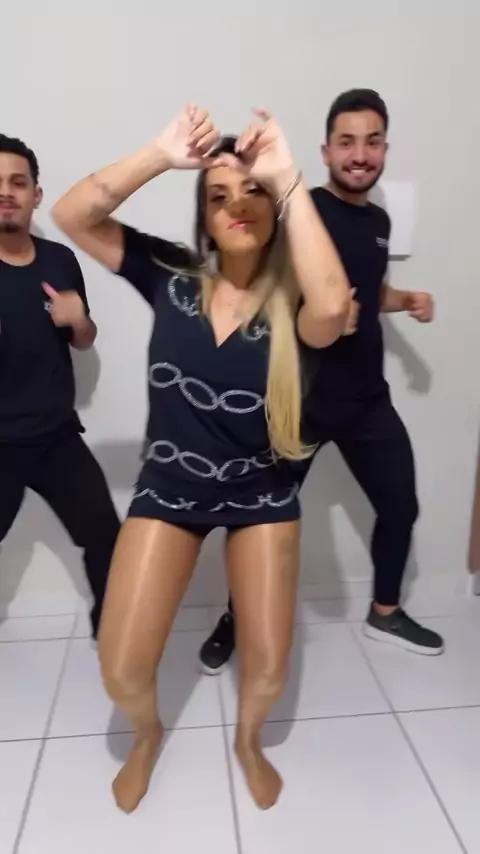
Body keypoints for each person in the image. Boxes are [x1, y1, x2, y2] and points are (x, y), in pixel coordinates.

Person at [52, 104, 351, 812]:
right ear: (204, 217)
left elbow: (335, 307)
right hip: (168, 491)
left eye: (251, 192)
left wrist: (287, 176)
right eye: (218, 196)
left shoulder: (297, 304)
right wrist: (160, 155)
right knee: (122, 671)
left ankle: (248, 741)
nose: (236, 205)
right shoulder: (172, 277)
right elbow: (71, 215)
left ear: (274, 207)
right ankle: (148, 734)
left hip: (262, 496)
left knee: (268, 673)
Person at [199, 89, 444, 676]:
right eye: (347, 142)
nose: (360, 154)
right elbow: (259, 288)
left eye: (372, 141)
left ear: (384, 148)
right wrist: (320, 312)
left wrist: (403, 298)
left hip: (366, 401)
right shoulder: (299, 211)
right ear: (326, 150)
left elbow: (367, 285)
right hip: (299, 398)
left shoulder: (379, 221)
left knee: (401, 505)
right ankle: (237, 615)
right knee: (260, 516)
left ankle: (386, 611)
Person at [0, 134, 120, 638]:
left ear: (36, 194)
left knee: (108, 537)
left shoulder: (59, 261)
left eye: (17, 182)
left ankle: (113, 632)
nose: (6, 192)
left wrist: (79, 320)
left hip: (56, 437)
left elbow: (83, 341)